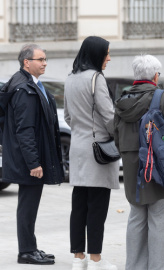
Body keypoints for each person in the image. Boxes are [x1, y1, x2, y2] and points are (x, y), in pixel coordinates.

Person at [114, 54, 164, 270]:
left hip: (131, 167)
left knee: (136, 218)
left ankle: (134, 266)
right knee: (159, 221)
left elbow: (115, 135)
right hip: (159, 167)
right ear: (155, 76)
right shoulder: (161, 97)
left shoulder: (122, 100)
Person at [0, 44, 64, 264]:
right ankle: (26, 251)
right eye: (41, 59)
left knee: (28, 205)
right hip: (28, 161)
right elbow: (25, 130)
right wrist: (33, 163)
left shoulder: (30, 84)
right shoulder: (24, 88)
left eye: (46, 59)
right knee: (27, 206)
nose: (45, 63)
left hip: (28, 159)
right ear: (27, 62)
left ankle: (30, 247)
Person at [64, 36, 119, 270]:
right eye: (106, 53)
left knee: (79, 205)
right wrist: (120, 134)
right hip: (98, 150)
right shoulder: (96, 78)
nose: (109, 57)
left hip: (78, 146)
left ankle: (78, 258)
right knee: (97, 205)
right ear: (96, 54)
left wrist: (82, 130)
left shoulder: (70, 78)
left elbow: (67, 116)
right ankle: (95, 259)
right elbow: (109, 116)